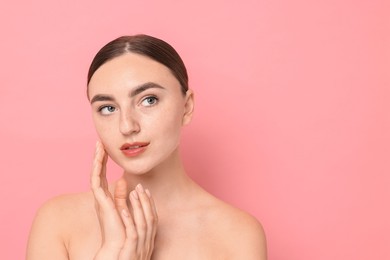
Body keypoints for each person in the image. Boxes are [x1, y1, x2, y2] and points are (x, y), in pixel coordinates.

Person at [26, 34, 267, 259]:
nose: (127, 126)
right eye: (108, 108)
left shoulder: (237, 234)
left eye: (148, 100)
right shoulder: (58, 221)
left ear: (187, 107)